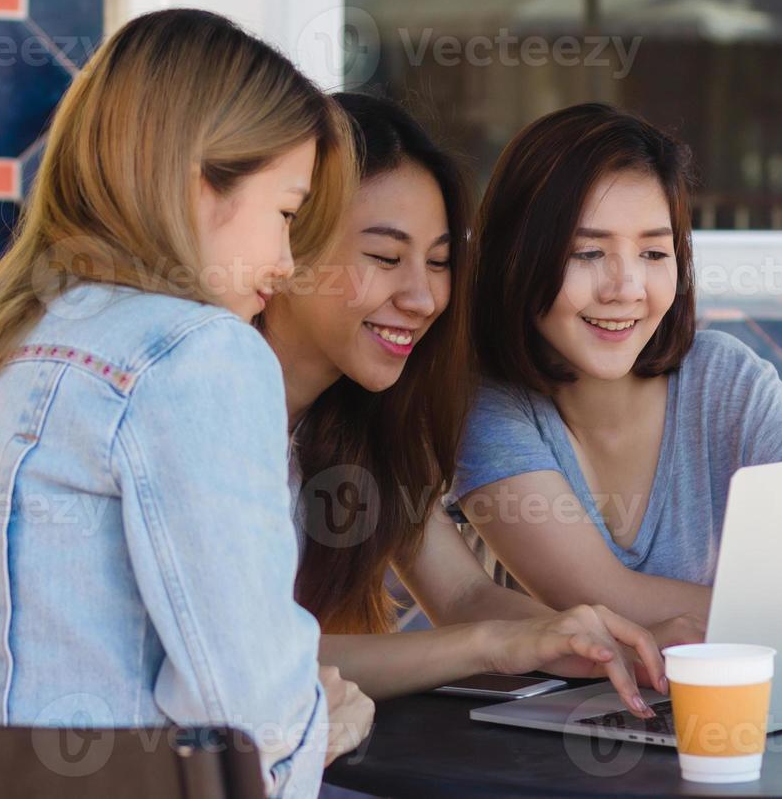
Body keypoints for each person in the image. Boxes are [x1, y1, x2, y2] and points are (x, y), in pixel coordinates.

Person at [0, 9, 369, 799]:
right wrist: (323, 722)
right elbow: (246, 722)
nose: (284, 263)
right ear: (197, 181)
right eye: (285, 213)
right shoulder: (195, 354)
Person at [259, 94, 696, 719]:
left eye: (439, 263)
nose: (422, 297)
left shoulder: (369, 412)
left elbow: (463, 594)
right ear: (284, 247)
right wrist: (494, 644)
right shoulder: (209, 402)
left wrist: (553, 635)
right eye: (385, 257)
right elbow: (254, 660)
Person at [452, 103, 782, 629]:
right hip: (562, 712)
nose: (626, 288)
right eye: (586, 253)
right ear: (513, 257)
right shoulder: (488, 409)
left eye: (654, 254)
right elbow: (599, 596)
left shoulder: (726, 380)